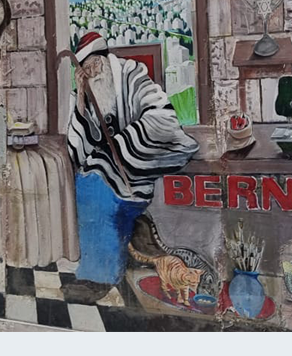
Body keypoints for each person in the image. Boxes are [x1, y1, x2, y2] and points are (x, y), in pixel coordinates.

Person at [63, 31, 199, 303]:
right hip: (104, 169)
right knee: (89, 183)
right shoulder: (87, 91)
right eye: (86, 71)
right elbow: (77, 149)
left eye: (94, 66)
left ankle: (99, 278)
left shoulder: (132, 76)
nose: (92, 73)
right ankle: (101, 269)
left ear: (104, 60)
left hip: (139, 163)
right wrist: (81, 100)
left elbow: (162, 120)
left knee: (96, 188)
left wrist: (122, 146)